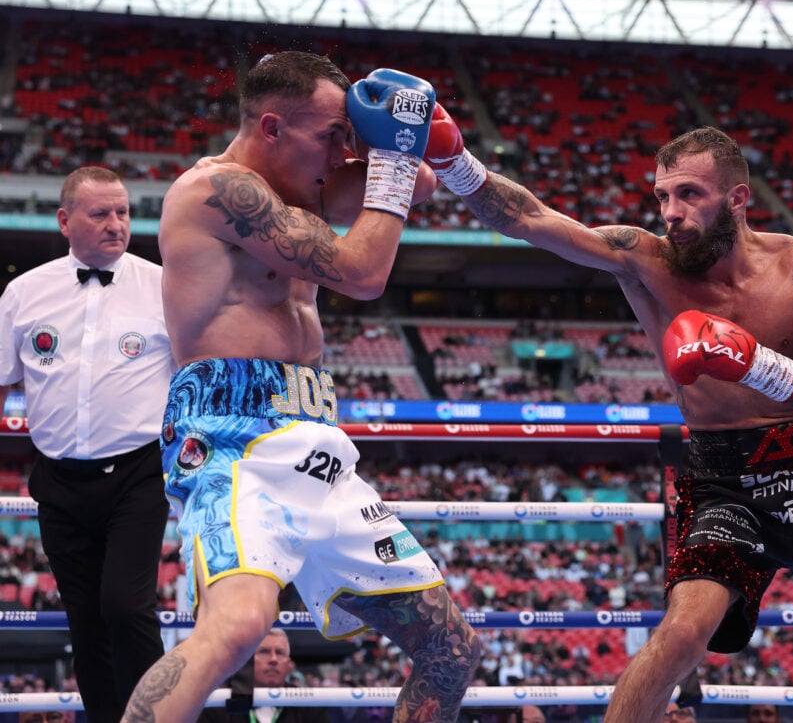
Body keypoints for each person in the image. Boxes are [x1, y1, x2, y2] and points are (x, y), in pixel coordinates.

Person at [421, 116, 793, 723]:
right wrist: (453, 159)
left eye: (689, 194)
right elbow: (527, 218)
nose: (671, 212)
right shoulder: (645, 259)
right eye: (662, 195)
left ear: (737, 199)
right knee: (680, 636)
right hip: (721, 483)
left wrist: (752, 362)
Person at [121, 52, 480, 723]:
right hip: (231, 436)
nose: (343, 152)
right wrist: (395, 157)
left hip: (315, 436)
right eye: (331, 135)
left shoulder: (306, 184)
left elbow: (422, 179)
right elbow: (363, 270)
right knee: (236, 626)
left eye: (350, 135)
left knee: (450, 647)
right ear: (272, 127)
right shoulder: (217, 192)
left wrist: (393, 132)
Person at [0, 166, 173, 723]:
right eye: (100, 213)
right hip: (58, 478)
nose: (115, 223)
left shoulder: (165, 285)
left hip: (139, 474)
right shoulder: (24, 292)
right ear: (65, 220)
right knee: (86, 623)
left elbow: (200, 373)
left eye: (122, 212)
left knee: (126, 607)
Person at [199, 629, 328, 723]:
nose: (273, 659)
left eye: (280, 652)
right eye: (264, 651)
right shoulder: (218, 703)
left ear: (288, 663)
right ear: (247, 659)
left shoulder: (309, 706)